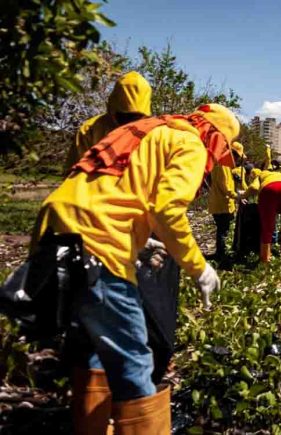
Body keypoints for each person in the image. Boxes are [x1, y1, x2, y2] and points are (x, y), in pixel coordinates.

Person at [31, 103, 240, 434]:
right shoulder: (190, 143)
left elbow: (106, 191)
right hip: (99, 247)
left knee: (92, 349)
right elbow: (168, 210)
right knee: (134, 361)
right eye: (221, 150)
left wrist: (140, 241)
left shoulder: (136, 131)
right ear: (214, 136)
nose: (215, 160)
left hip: (54, 231)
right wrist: (199, 269)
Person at [64, 71, 152, 172]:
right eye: (125, 115)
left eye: (136, 117)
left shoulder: (153, 133)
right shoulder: (89, 129)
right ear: (113, 108)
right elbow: (74, 172)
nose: (129, 122)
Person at [243, 167, 281, 262]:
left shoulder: (260, 175)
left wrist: (243, 196)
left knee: (267, 227)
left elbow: (253, 187)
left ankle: (265, 258)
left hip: (269, 190)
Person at [208, 141, 246, 260]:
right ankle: (221, 255)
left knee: (222, 230)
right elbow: (226, 188)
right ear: (232, 154)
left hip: (219, 203)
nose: (238, 160)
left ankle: (220, 253)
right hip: (222, 204)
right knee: (223, 231)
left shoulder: (223, 164)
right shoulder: (223, 165)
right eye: (237, 157)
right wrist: (238, 196)